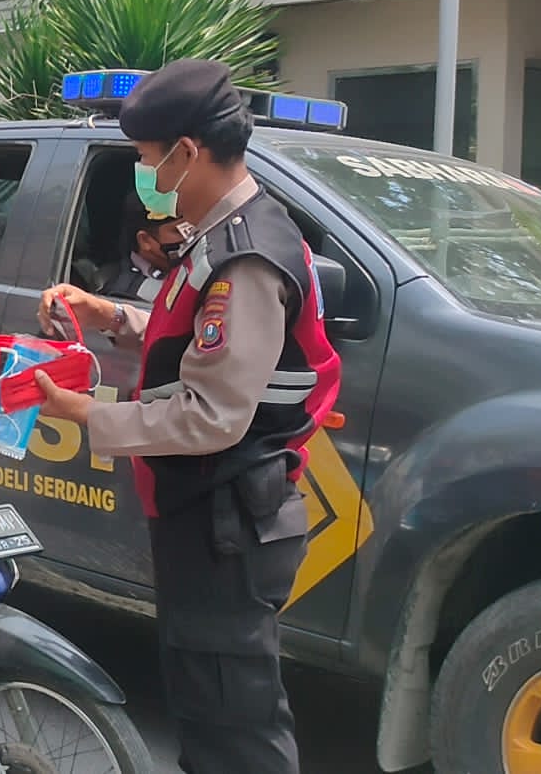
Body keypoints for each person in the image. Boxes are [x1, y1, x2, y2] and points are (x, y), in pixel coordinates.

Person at [32, 59, 343, 774]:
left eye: (148, 159)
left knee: (234, 734)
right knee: (210, 719)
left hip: (226, 520)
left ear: (186, 151)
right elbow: (202, 344)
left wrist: (87, 412)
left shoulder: (245, 258)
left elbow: (212, 414)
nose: (147, 175)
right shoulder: (223, 235)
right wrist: (109, 314)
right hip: (212, 513)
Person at [99, 195, 187, 302]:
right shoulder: (126, 296)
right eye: (180, 231)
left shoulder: (197, 264)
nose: (191, 235)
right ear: (145, 240)